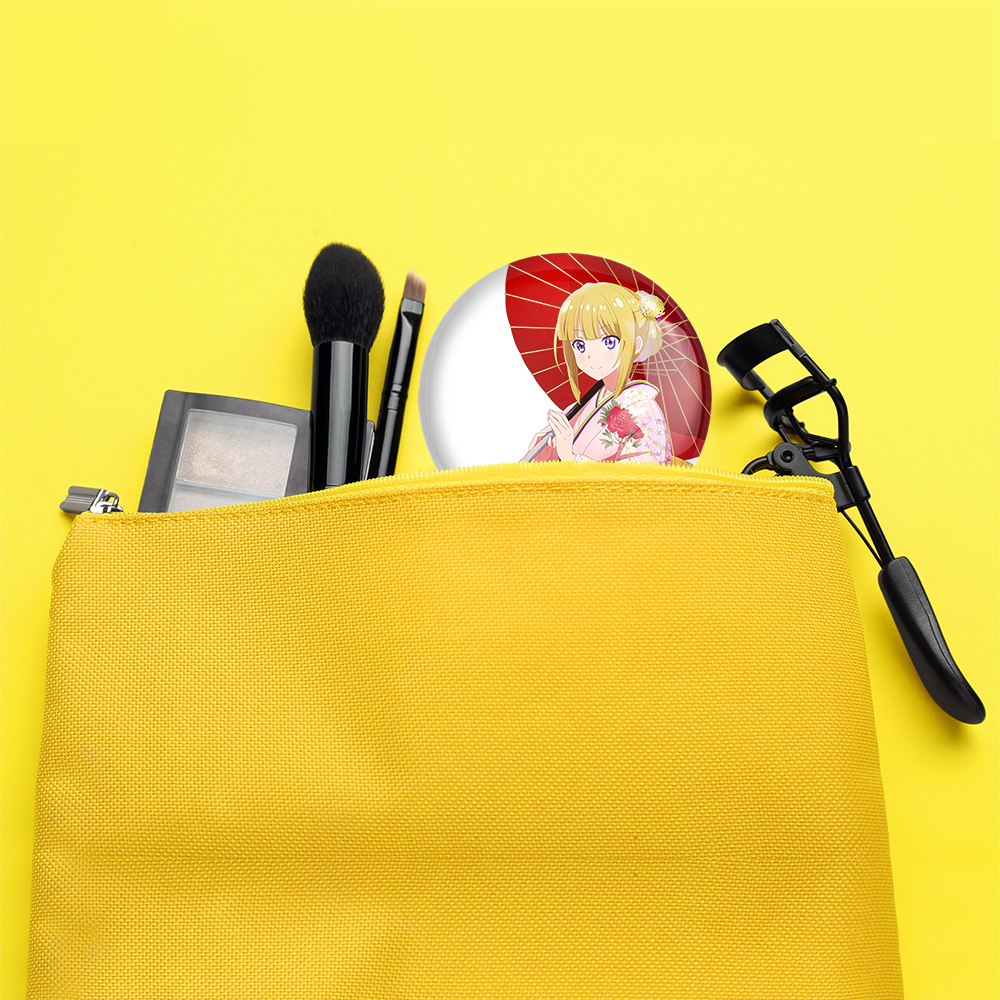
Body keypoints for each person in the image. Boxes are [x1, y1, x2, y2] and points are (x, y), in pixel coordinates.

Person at [526, 282, 672, 464]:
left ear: (635, 345)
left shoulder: (645, 412)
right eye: (579, 344)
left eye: (608, 342)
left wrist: (571, 458)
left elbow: (644, 478)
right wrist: (547, 456)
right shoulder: (579, 409)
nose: (590, 355)